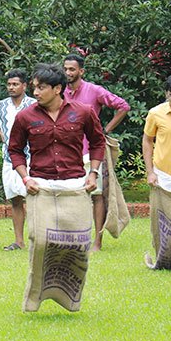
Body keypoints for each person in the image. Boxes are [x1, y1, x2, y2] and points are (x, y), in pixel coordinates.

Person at [63, 52, 131, 250]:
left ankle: (97, 241)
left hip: (91, 151)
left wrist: (105, 130)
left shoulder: (94, 90)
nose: (68, 73)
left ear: (81, 71)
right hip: (68, 151)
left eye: (72, 69)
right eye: (65, 69)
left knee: (97, 195)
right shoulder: (60, 92)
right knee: (71, 195)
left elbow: (123, 106)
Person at [8, 64, 105, 195]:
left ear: (57, 89)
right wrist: (26, 179)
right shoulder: (24, 116)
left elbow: (98, 142)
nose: (36, 92)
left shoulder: (84, 112)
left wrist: (93, 173)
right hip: (39, 186)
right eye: (35, 87)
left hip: (75, 184)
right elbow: (15, 150)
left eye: (41, 88)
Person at [0, 68, 36, 250]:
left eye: (15, 84)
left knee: (35, 200)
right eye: (9, 84)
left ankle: (38, 239)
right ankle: (19, 241)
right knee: (15, 199)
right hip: (9, 158)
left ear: (24, 85)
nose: (11, 87)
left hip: (33, 157)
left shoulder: (34, 104)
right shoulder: (1, 105)